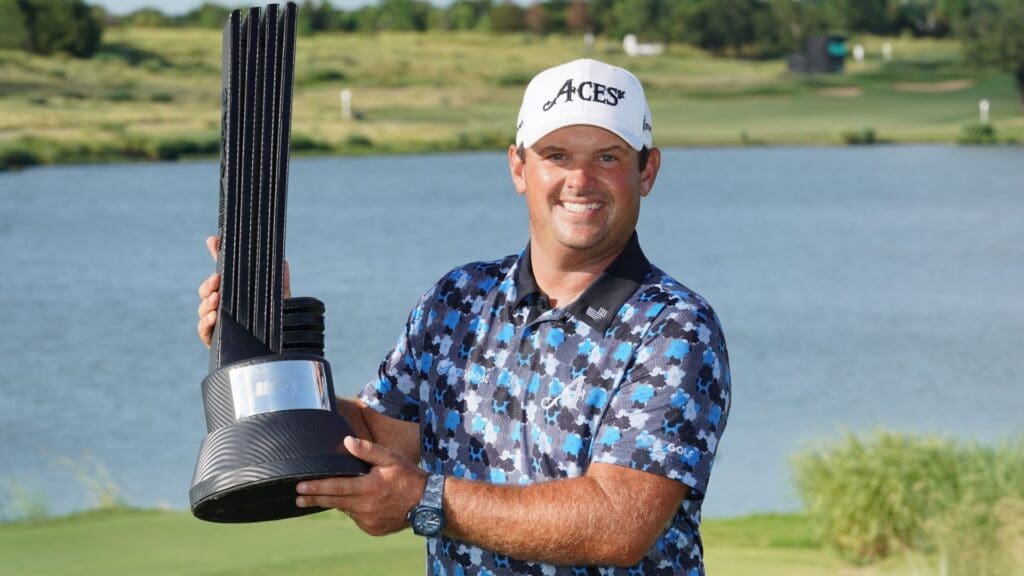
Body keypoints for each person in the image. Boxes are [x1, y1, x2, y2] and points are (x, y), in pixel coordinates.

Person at [197, 58, 730, 576]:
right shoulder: (460, 298)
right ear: (520, 168)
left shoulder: (675, 327)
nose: (581, 180)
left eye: (609, 158)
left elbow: (617, 524)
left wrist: (425, 499)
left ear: (647, 171)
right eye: (557, 155)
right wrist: (267, 357)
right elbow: (374, 439)